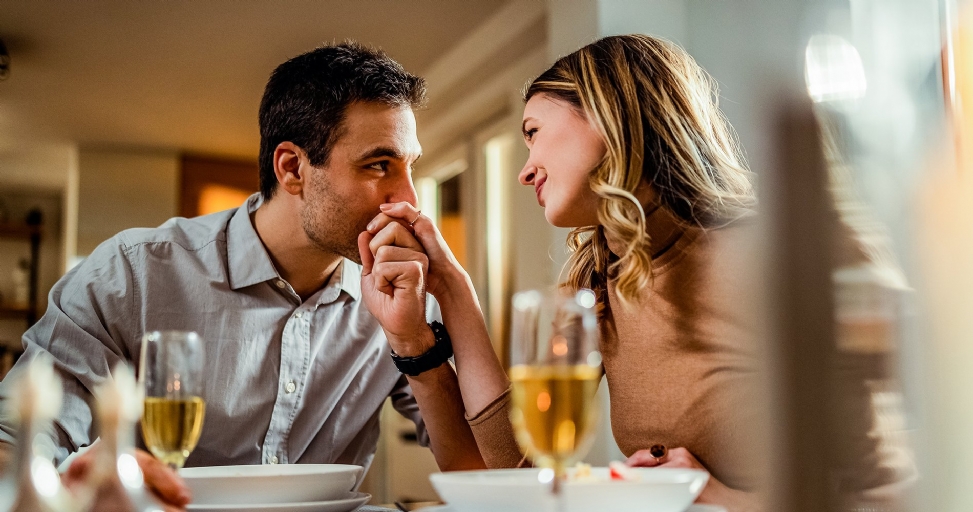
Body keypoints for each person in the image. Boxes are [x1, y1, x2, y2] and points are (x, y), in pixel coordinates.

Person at [0, 42, 484, 511]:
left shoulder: (401, 295)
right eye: (379, 165)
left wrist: (415, 342)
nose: (408, 199)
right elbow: (13, 446)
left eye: (409, 167)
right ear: (292, 167)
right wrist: (77, 478)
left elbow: (479, 475)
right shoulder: (130, 275)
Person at [359, 34, 765, 511]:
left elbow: (868, 485)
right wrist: (450, 286)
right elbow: (515, 475)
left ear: (606, 112)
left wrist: (723, 499)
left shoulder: (764, 256)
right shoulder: (595, 282)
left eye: (533, 132)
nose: (525, 171)